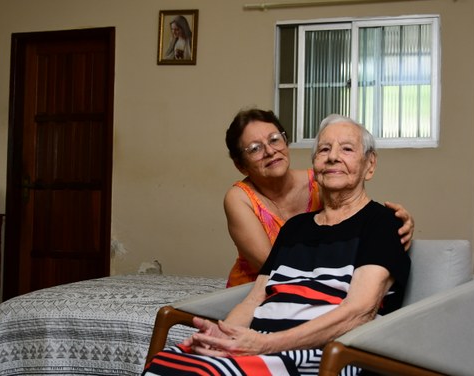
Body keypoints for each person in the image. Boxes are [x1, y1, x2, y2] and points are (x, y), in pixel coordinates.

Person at [143, 114, 411, 376]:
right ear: (315, 166)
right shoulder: (295, 228)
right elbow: (254, 300)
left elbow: (359, 312)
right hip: (262, 346)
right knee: (169, 364)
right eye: (324, 149)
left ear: (370, 165)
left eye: (348, 149)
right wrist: (223, 337)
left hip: (320, 352)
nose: (332, 157)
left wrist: (264, 344)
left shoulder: (381, 223)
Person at [224, 108, 414, 287]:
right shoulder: (239, 198)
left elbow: (356, 212)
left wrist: (393, 224)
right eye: (255, 148)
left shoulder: (320, 179)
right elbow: (275, 269)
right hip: (256, 289)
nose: (270, 151)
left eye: (274, 139)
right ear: (241, 165)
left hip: (317, 288)